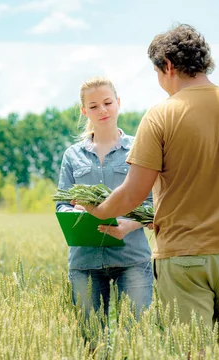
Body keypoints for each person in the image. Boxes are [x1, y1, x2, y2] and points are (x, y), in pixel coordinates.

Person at [77, 24, 219, 331]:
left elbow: (133, 193)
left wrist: (98, 210)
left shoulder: (162, 115)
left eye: (158, 73)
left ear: (168, 66)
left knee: (194, 356)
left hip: (184, 254)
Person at [56, 76, 153, 323]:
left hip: (132, 258)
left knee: (137, 338)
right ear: (84, 110)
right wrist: (77, 212)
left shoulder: (140, 149)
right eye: (94, 106)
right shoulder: (72, 155)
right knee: (90, 341)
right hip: (85, 261)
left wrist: (128, 225)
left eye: (108, 102)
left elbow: (154, 201)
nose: (102, 110)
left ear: (118, 103)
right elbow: (62, 205)